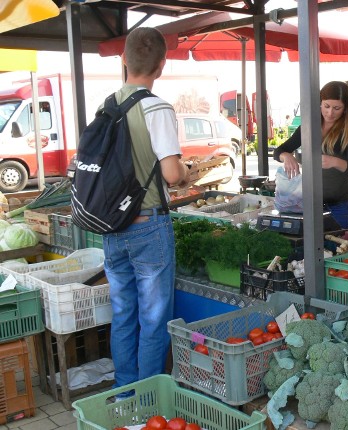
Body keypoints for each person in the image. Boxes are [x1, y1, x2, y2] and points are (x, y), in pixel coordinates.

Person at [103, 27, 190, 398]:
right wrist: (187, 173)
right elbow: (172, 174)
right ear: (161, 65)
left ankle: (125, 395)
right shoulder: (157, 108)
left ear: (123, 59)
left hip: (112, 226)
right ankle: (148, 397)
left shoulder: (106, 106)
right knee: (154, 321)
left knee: (124, 313)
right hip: (147, 226)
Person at [273, 81, 348, 228]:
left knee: (341, 248)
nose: (330, 113)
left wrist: (334, 161)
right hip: (309, 204)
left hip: (339, 206)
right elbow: (279, 151)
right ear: (320, 103)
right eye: (326, 106)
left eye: (337, 108)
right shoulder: (309, 125)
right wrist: (287, 156)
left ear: (345, 108)